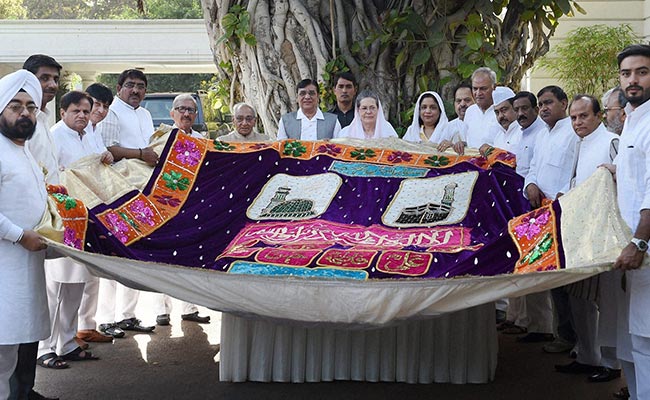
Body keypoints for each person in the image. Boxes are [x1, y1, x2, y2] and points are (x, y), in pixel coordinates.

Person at [38, 91, 114, 367]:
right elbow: (47, 174)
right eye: (76, 111)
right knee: (54, 287)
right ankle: (44, 348)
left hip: (86, 220)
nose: (82, 115)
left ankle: (68, 343)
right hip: (62, 221)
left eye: (85, 110)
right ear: (63, 113)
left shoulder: (90, 134)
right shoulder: (55, 136)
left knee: (76, 286)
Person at [553, 95, 619, 378]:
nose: (578, 122)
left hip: (606, 234)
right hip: (578, 231)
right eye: (574, 117)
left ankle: (611, 363)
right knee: (578, 295)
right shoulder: (580, 144)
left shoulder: (611, 142)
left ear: (599, 116)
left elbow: (624, 181)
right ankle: (587, 355)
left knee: (607, 301)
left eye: (583, 116)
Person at [0, 69, 54, 400]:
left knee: (10, 355)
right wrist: (20, 235)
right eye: (15, 106)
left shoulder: (23, 151)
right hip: (5, 267)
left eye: (31, 108)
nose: (24, 114)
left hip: (25, 269)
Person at [96, 69, 156, 337]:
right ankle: (106, 319)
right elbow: (109, 150)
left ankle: (128, 315)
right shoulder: (112, 112)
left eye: (140, 86)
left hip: (142, 189)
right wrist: (142, 154)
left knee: (135, 250)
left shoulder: (144, 113)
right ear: (119, 87)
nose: (135, 91)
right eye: (130, 85)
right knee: (115, 251)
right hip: (116, 190)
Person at [607, 43, 650, 400]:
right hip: (631, 248)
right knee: (636, 340)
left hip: (644, 247)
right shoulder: (633, 120)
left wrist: (639, 242)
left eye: (641, 72)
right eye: (626, 74)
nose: (632, 80)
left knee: (647, 341)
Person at [521, 86, 578, 349]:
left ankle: (574, 339)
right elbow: (533, 168)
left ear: (564, 104)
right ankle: (563, 335)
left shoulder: (574, 133)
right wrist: (530, 184)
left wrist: (563, 198)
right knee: (553, 275)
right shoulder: (542, 135)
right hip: (543, 214)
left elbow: (576, 172)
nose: (543, 108)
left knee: (569, 280)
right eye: (541, 104)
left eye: (548, 103)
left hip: (567, 212)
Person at [154, 93, 211, 326]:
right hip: (166, 206)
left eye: (190, 110)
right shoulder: (161, 137)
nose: (186, 113)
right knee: (163, 259)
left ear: (195, 115)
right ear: (172, 113)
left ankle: (190, 307)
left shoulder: (202, 139)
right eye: (181, 109)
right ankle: (162, 310)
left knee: (190, 257)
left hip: (193, 206)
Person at [74, 83, 116, 346]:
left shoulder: (91, 132)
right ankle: (61, 340)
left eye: (103, 106)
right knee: (68, 281)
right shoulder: (61, 133)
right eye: (94, 105)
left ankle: (86, 327)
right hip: (74, 210)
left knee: (90, 276)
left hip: (96, 207)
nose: (97, 111)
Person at [22, 54, 61, 186]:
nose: (52, 85)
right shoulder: (21, 122)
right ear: (28, 80)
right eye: (44, 78)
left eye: (56, 79)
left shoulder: (43, 119)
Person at [462, 67, 499, 150]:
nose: (478, 93)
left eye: (483, 89)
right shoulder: (470, 111)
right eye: (475, 88)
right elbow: (468, 141)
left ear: (494, 87)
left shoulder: (502, 112)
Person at [512, 91, 545, 177]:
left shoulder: (543, 133)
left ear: (536, 110)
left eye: (524, 108)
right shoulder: (519, 132)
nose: (520, 114)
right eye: (516, 110)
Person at [479, 86, 520, 155]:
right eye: (497, 112)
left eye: (504, 110)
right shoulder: (499, 136)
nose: (500, 116)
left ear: (515, 108)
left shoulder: (522, 132)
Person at [446, 83, 474, 154]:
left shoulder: (484, 124)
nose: (462, 104)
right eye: (458, 101)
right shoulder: (449, 127)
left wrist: (465, 144)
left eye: (467, 100)